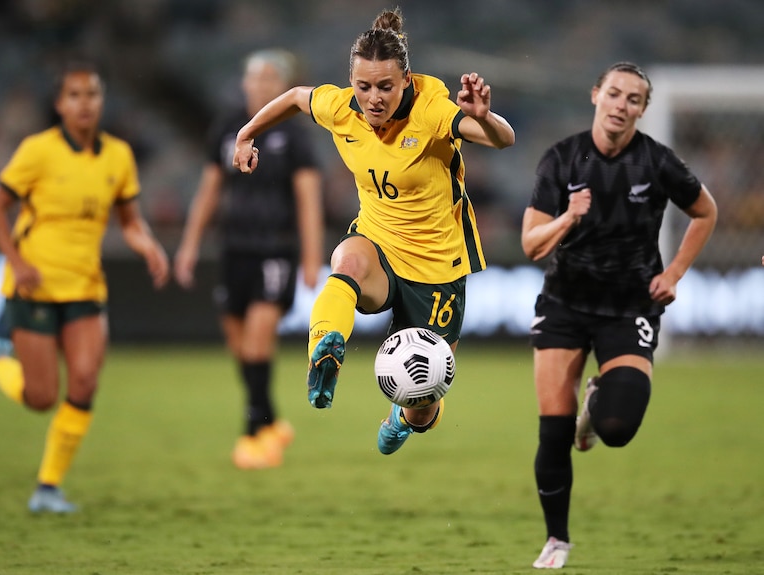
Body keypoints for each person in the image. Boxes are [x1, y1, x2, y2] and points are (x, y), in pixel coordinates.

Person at [233, 8, 515, 455]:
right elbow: (292, 97)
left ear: (405, 80)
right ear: (352, 82)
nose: (373, 98)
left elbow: (504, 140)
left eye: (385, 86)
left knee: (422, 406)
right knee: (346, 262)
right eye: (363, 86)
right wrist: (247, 133)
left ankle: (404, 417)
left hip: (437, 267)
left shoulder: (431, 110)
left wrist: (484, 116)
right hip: (378, 242)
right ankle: (324, 350)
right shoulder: (341, 107)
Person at [521, 61, 717, 568]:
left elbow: (705, 211)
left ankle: (596, 404)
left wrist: (673, 272)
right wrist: (568, 216)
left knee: (618, 426)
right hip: (565, 303)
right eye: (614, 93)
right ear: (596, 96)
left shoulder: (656, 162)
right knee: (553, 430)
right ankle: (557, 540)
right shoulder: (561, 160)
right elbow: (530, 244)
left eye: (633, 99)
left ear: (643, 110)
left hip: (629, 306)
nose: (621, 105)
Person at [0, 61, 170, 513]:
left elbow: (130, 221)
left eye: (93, 95)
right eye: (75, 95)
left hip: (85, 285)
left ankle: (48, 487)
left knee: (83, 382)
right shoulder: (37, 150)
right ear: (60, 104)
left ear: (102, 102)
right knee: (41, 397)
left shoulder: (118, 155)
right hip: (35, 284)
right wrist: (17, 262)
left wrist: (149, 246)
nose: (85, 103)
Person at [174, 49, 324, 470]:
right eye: (255, 78)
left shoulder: (294, 135)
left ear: (282, 87)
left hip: (275, 249)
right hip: (233, 248)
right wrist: (189, 244)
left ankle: (253, 433)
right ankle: (272, 418)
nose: (260, 85)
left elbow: (308, 199)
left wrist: (312, 257)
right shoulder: (227, 127)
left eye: (270, 79)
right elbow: (209, 190)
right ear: (244, 83)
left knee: (260, 337)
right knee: (239, 345)